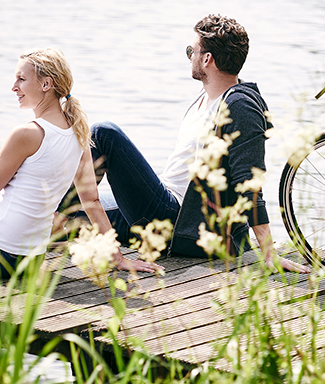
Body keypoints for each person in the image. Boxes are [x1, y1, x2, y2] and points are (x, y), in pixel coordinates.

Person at [0, 48, 161, 369]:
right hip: (28, 263)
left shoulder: (27, 134)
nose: (14, 87)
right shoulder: (78, 134)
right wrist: (116, 256)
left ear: (47, 84)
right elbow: (91, 201)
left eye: (21, 79)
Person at [61, 15, 309, 273]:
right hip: (164, 204)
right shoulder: (207, 98)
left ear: (207, 59)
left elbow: (250, 182)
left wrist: (268, 253)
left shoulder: (240, 107)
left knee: (104, 134)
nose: (189, 55)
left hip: (180, 221)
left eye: (192, 50)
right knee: (70, 216)